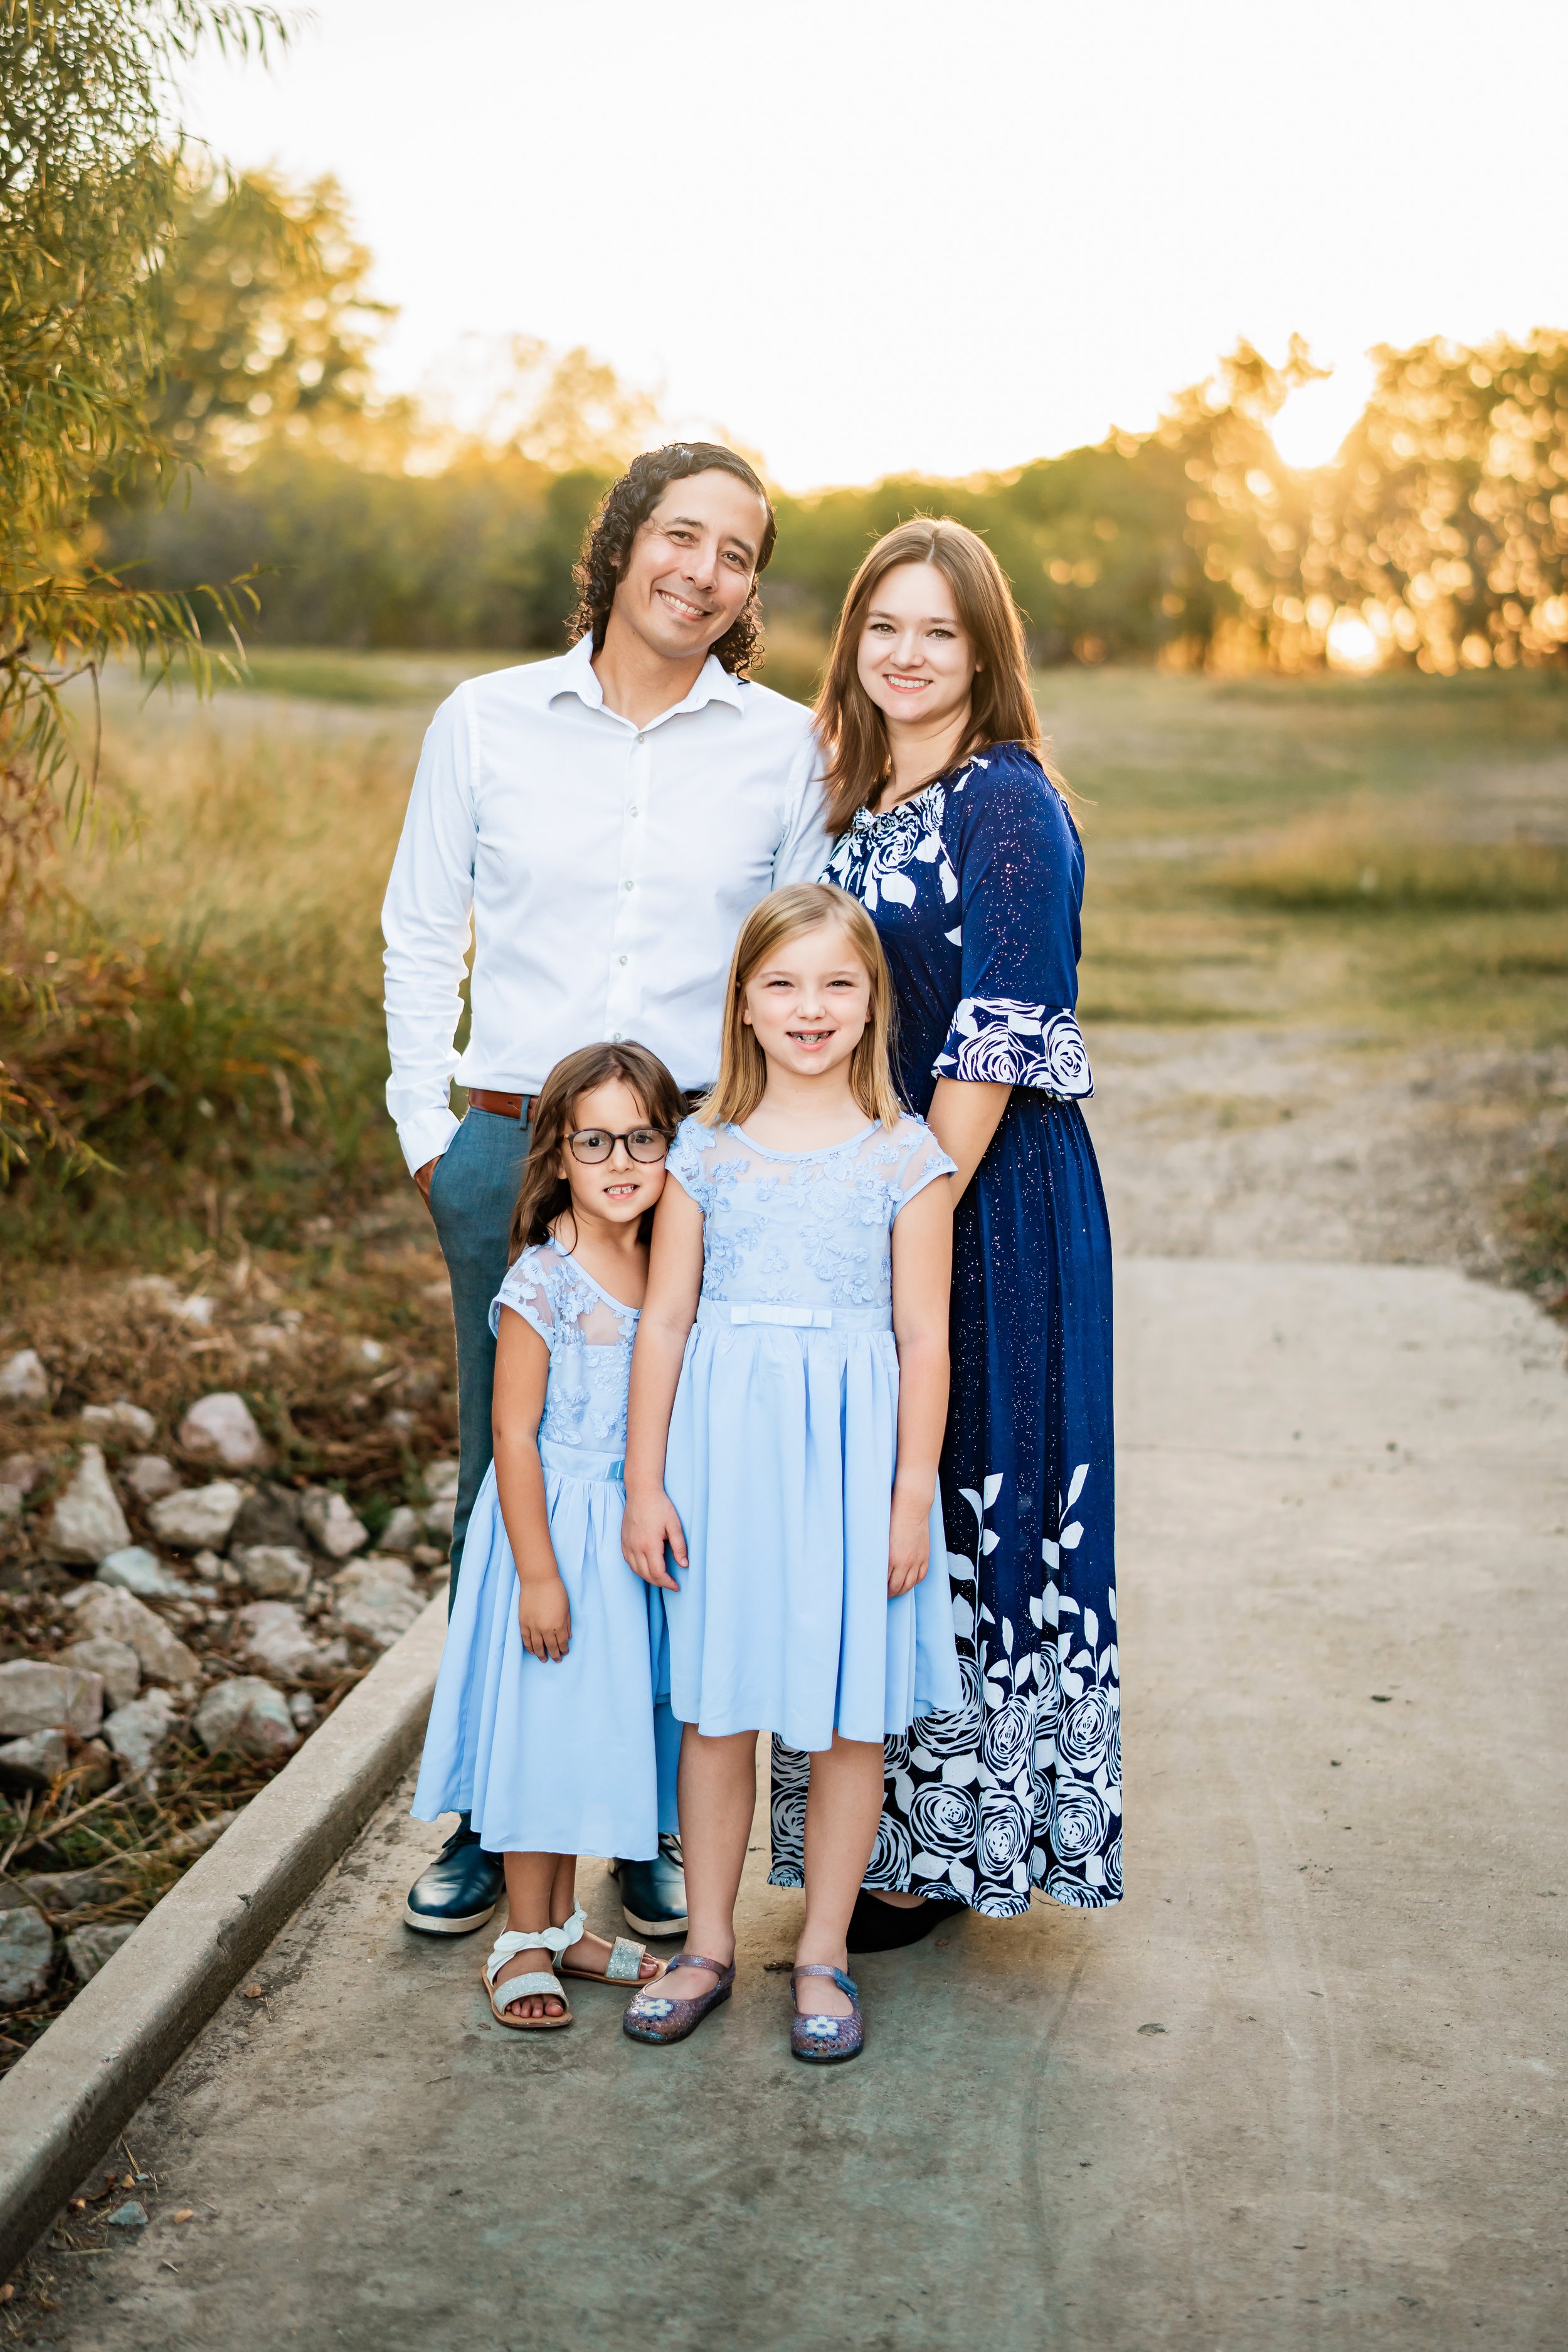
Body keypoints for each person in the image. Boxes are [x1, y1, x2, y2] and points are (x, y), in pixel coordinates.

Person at [383, 442, 828, 1940]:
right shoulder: (486, 719)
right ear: (624, 541)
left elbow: (800, 961)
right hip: (514, 1151)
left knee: (673, 1482)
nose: (702, 572)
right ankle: (491, 1816)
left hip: (699, 1161)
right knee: (509, 1474)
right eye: (680, 535)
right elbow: (419, 928)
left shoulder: (783, 749)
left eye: (736, 554)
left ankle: (645, 1821)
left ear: (750, 591)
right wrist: (427, 1134)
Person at [771, 519, 1120, 1939]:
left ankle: (944, 1848)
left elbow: (997, 1032)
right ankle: (875, 1826)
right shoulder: (859, 801)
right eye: (883, 627)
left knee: (973, 1490)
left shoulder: (1005, 800)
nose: (906, 655)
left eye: (939, 632)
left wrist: (904, 1210)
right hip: (881, 1190)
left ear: (984, 653)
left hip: (985, 1198)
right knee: (880, 1495)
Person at [618, 884, 962, 2060]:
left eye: (836, 984)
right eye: (783, 983)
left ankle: (822, 1951)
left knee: (848, 1722)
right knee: (716, 1711)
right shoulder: (704, 1150)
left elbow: (925, 1338)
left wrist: (910, 1495)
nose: (810, 1007)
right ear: (745, 1005)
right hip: (723, 1461)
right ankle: (708, 1943)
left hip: (853, 1471)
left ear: (872, 1004)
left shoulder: (906, 1157)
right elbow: (665, 1323)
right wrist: (646, 1482)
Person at [411, 1042, 687, 2026]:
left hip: (629, 1542)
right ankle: (521, 1937)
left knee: (590, 1732)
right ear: (558, 1154)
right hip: (557, 1535)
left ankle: (568, 1929)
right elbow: (511, 1434)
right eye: (594, 1140)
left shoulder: (665, 1263)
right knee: (544, 1733)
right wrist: (537, 1573)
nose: (621, 1160)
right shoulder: (545, 1277)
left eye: (643, 1138)